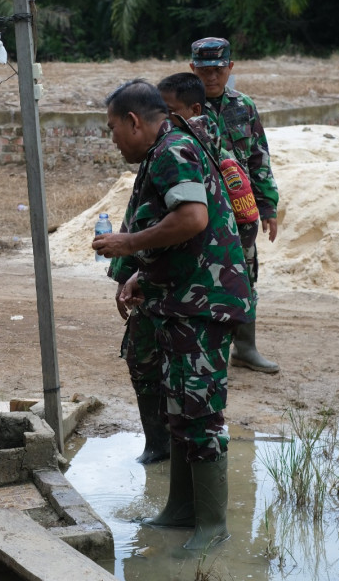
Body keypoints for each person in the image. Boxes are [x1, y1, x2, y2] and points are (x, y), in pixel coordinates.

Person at [93, 80, 254, 550]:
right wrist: (141, 276)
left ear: (134, 121)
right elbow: (183, 240)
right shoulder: (167, 149)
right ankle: (183, 509)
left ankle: (212, 527)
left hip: (202, 305)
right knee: (182, 409)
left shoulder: (173, 150)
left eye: (112, 130)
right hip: (184, 298)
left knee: (200, 413)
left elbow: (192, 219)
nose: (114, 140)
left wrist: (127, 244)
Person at [190, 37, 281, 374]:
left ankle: (245, 349)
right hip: (197, 211)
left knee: (243, 279)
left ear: (230, 68)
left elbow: (259, 159)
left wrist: (268, 207)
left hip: (239, 213)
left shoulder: (243, 106)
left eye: (217, 69)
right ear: (192, 68)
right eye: (203, 69)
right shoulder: (183, 106)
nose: (210, 77)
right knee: (197, 279)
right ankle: (202, 350)